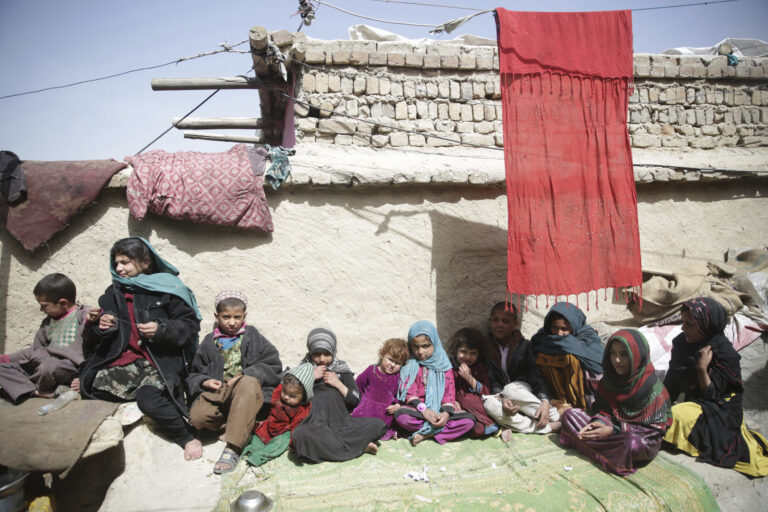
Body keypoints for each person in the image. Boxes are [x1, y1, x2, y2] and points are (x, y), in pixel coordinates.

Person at [79, 237, 202, 460]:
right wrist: (102, 326)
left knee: (149, 401)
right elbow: (102, 337)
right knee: (89, 385)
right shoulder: (112, 293)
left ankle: (186, 437)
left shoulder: (168, 289)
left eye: (125, 262)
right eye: (116, 263)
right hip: (125, 360)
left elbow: (189, 327)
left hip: (158, 362)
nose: (119, 268)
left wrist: (161, 330)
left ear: (145, 262)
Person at [663, 297, 768, 477]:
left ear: (706, 326)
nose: (682, 328)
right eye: (683, 322)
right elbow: (671, 382)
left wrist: (702, 369)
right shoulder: (682, 343)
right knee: (658, 412)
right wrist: (659, 406)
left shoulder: (725, 354)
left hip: (720, 410)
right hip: (696, 405)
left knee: (677, 416)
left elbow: (714, 397)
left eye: (689, 324)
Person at [186, 291, 283, 474]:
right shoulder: (209, 342)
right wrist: (205, 381)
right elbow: (194, 374)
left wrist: (244, 374)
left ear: (244, 316)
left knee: (248, 383)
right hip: (220, 392)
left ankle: (233, 446)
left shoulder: (252, 336)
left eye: (237, 317)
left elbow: (273, 364)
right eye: (226, 317)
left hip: (246, 391)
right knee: (198, 417)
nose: (232, 322)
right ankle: (238, 425)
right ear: (217, 316)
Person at [559, 329, 671, 476]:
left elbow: (654, 431)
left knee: (632, 444)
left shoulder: (654, 389)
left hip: (633, 438)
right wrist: (599, 422)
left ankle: (586, 445)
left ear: (637, 356)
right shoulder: (609, 379)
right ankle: (604, 451)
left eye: (624, 355)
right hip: (609, 432)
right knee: (569, 415)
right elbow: (601, 408)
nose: (617, 360)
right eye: (613, 354)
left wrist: (614, 430)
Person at [291, 328, 387, 462]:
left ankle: (340, 448)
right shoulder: (304, 369)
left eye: (326, 354)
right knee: (300, 435)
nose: (322, 359)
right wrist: (310, 377)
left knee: (378, 425)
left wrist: (338, 384)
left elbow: (355, 399)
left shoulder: (342, 370)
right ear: (310, 353)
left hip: (343, 423)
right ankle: (359, 447)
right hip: (317, 423)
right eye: (316, 354)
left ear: (333, 351)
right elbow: (292, 396)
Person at [0, 274, 93, 402]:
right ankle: (37, 392)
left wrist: (91, 320)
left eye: (44, 306)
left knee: (49, 366)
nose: (41, 309)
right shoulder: (47, 323)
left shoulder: (83, 314)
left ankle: (28, 387)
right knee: (3, 368)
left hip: (67, 367)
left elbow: (91, 331)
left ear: (63, 303)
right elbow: (35, 350)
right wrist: (6, 359)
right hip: (44, 366)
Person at [483, 302, 560, 442]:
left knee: (510, 389)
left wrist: (545, 401)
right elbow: (492, 379)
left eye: (505, 321)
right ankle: (547, 427)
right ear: (490, 322)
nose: (499, 324)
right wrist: (501, 398)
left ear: (515, 325)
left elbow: (536, 375)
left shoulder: (525, 346)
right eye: (495, 320)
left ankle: (555, 416)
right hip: (503, 397)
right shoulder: (486, 348)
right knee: (489, 404)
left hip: (521, 392)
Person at [393, 320, 474, 446]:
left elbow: (449, 393)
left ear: (434, 343)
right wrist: (424, 411)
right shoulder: (410, 365)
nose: (420, 351)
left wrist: (445, 414)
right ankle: (436, 431)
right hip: (419, 410)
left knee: (469, 421)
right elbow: (409, 392)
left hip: (440, 412)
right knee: (401, 416)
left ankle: (427, 433)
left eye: (425, 346)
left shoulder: (444, 364)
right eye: (415, 346)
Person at [531, 302, 604, 410]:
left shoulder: (587, 338)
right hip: (551, 395)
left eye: (564, 329)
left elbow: (598, 364)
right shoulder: (541, 339)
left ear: (574, 326)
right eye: (555, 328)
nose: (559, 333)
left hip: (585, 395)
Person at [243, 362, 314, 467]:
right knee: (256, 437)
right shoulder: (279, 391)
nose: (286, 397)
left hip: (283, 433)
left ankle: (261, 456)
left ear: (304, 397)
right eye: (285, 392)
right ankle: (251, 450)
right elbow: (270, 403)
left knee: (281, 443)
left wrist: (293, 444)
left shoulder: (302, 409)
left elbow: (296, 428)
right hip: (269, 426)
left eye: (293, 396)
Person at [351, 338, 409, 440]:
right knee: (358, 429)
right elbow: (357, 387)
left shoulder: (397, 378)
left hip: (384, 415)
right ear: (382, 355)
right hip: (364, 412)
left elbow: (399, 397)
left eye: (398, 363)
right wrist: (353, 407)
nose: (393, 365)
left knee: (381, 429)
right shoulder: (371, 371)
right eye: (390, 359)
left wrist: (397, 406)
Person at [447, 327, 498, 437]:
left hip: (476, 405)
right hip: (460, 407)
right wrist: (453, 401)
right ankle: (485, 427)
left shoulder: (479, 368)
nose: (468, 357)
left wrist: (469, 377)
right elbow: (446, 388)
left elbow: (486, 391)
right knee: (476, 430)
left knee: (468, 400)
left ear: (479, 354)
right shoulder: (450, 367)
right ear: (456, 350)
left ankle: (493, 425)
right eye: (463, 352)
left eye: (473, 353)